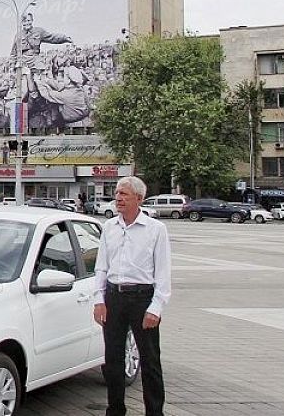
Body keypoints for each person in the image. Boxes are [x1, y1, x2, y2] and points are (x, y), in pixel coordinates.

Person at [93, 176, 171, 416]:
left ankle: (154, 412)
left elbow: (163, 272)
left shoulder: (156, 230)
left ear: (139, 198)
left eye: (124, 194)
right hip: (114, 298)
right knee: (113, 360)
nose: (118, 198)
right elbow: (101, 267)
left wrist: (156, 307)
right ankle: (115, 409)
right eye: (117, 193)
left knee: (150, 361)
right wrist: (99, 299)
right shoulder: (109, 227)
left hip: (142, 299)